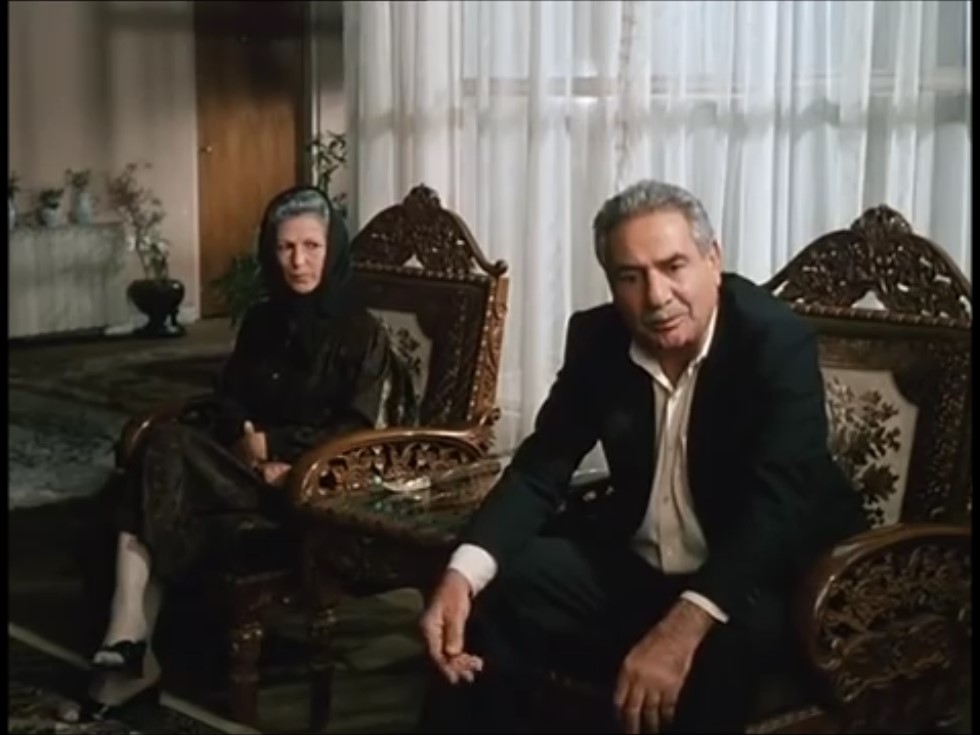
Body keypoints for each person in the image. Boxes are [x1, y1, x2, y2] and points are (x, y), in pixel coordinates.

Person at [418, 180, 868, 734]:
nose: (656, 297)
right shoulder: (598, 338)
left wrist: (683, 627)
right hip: (642, 568)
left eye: (673, 266)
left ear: (713, 259)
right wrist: (461, 576)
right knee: (495, 589)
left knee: (718, 656)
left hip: (767, 578)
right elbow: (541, 469)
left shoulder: (775, 341)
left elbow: (778, 506)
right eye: (630, 277)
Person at [73, 186, 415, 722]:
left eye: (312, 246)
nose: (298, 261)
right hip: (243, 465)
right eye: (285, 247)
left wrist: (280, 451)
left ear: (332, 250)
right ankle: (132, 642)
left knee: (159, 457)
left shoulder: (360, 331)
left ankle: (131, 644)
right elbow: (228, 397)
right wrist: (245, 435)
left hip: (308, 480)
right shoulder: (262, 320)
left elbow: (357, 427)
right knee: (152, 462)